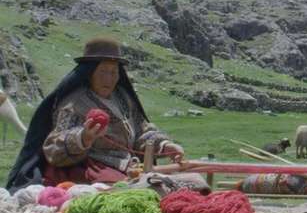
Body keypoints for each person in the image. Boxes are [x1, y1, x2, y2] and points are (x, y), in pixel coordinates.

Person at [6, 37, 184, 191]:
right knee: (130, 188)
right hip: (92, 167)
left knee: (170, 182)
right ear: (89, 73)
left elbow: (142, 130)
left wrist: (164, 145)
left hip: (128, 165)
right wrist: (83, 137)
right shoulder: (74, 104)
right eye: (103, 72)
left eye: (113, 72)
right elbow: (53, 148)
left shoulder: (123, 98)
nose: (109, 78)